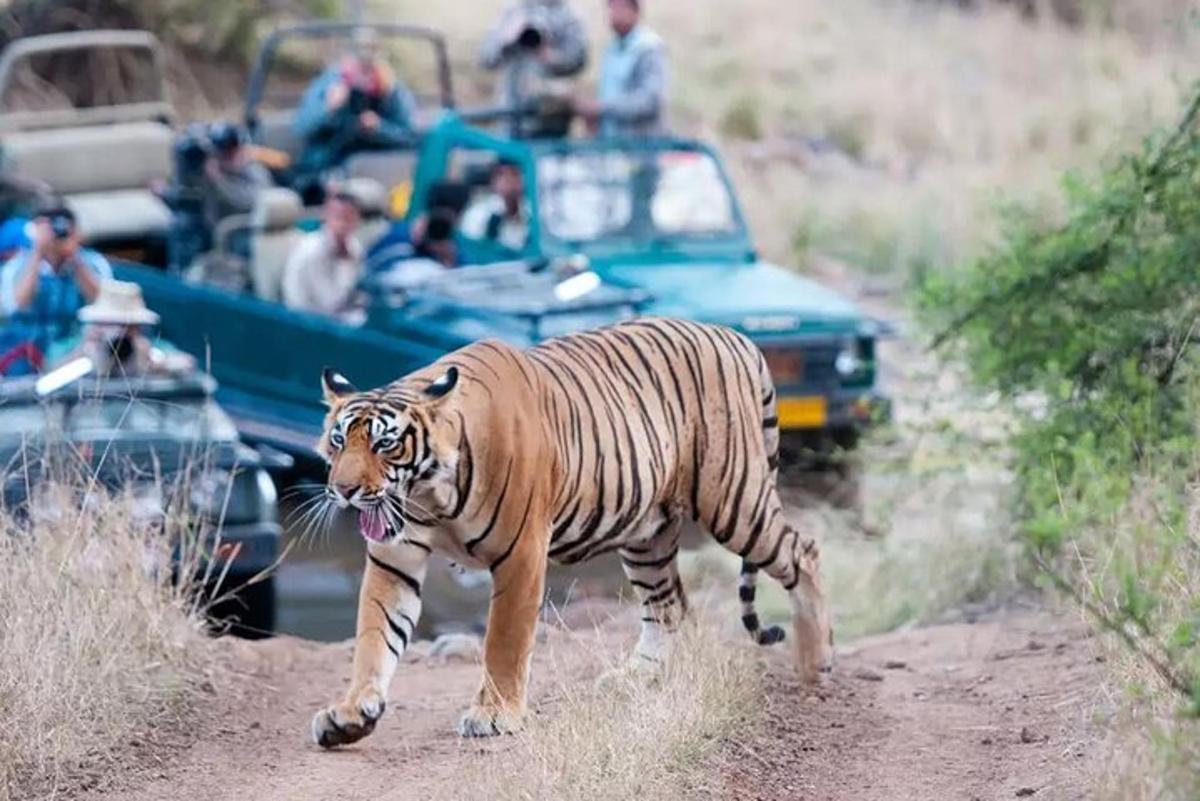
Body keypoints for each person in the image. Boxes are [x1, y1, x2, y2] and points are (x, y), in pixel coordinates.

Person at [293, 34, 417, 193]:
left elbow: (410, 137)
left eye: (371, 56)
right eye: (360, 57)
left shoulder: (391, 89)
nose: (364, 75)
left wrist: (380, 128)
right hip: (325, 169)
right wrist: (329, 108)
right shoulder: (329, 84)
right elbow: (302, 128)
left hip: (373, 171)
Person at [0, 203, 111, 361]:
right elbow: (18, 305)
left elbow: (103, 302)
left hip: (73, 349)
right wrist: (38, 252)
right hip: (25, 351)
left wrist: (75, 258)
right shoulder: (17, 265)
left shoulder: (93, 263)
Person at [479, 0, 588, 137]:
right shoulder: (513, 11)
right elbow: (486, 58)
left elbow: (579, 60)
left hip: (551, 118)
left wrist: (550, 57)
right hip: (511, 114)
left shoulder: (567, 15)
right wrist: (507, 39)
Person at [46, 279, 194, 378]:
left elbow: (187, 363)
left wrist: (156, 362)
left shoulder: (150, 347)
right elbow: (47, 373)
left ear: (138, 327)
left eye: (126, 325)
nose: (118, 332)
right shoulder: (75, 346)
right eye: (111, 324)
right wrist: (81, 355)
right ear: (97, 323)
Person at [574, 0, 667, 137]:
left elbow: (649, 101)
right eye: (611, 8)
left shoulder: (648, 48)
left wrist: (603, 108)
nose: (613, 14)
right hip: (612, 144)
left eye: (620, 7)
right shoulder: (612, 49)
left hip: (640, 145)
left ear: (635, 11)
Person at [281, 191, 364, 319]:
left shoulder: (353, 245)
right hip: (306, 322)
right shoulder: (312, 251)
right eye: (338, 217)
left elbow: (357, 290)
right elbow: (329, 303)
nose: (343, 224)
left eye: (349, 218)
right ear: (326, 216)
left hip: (336, 316)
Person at [203, 122, 273, 241]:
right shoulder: (210, 168)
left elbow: (253, 201)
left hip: (246, 231)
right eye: (223, 152)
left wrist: (220, 181)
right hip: (213, 232)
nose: (228, 156)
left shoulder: (253, 168)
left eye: (232, 150)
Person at [459, 159, 530, 257]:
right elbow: (470, 250)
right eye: (501, 174)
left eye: (515, 174)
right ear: (493, 181)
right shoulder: (478, 213)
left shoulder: (533, 214)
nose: (509, 180)